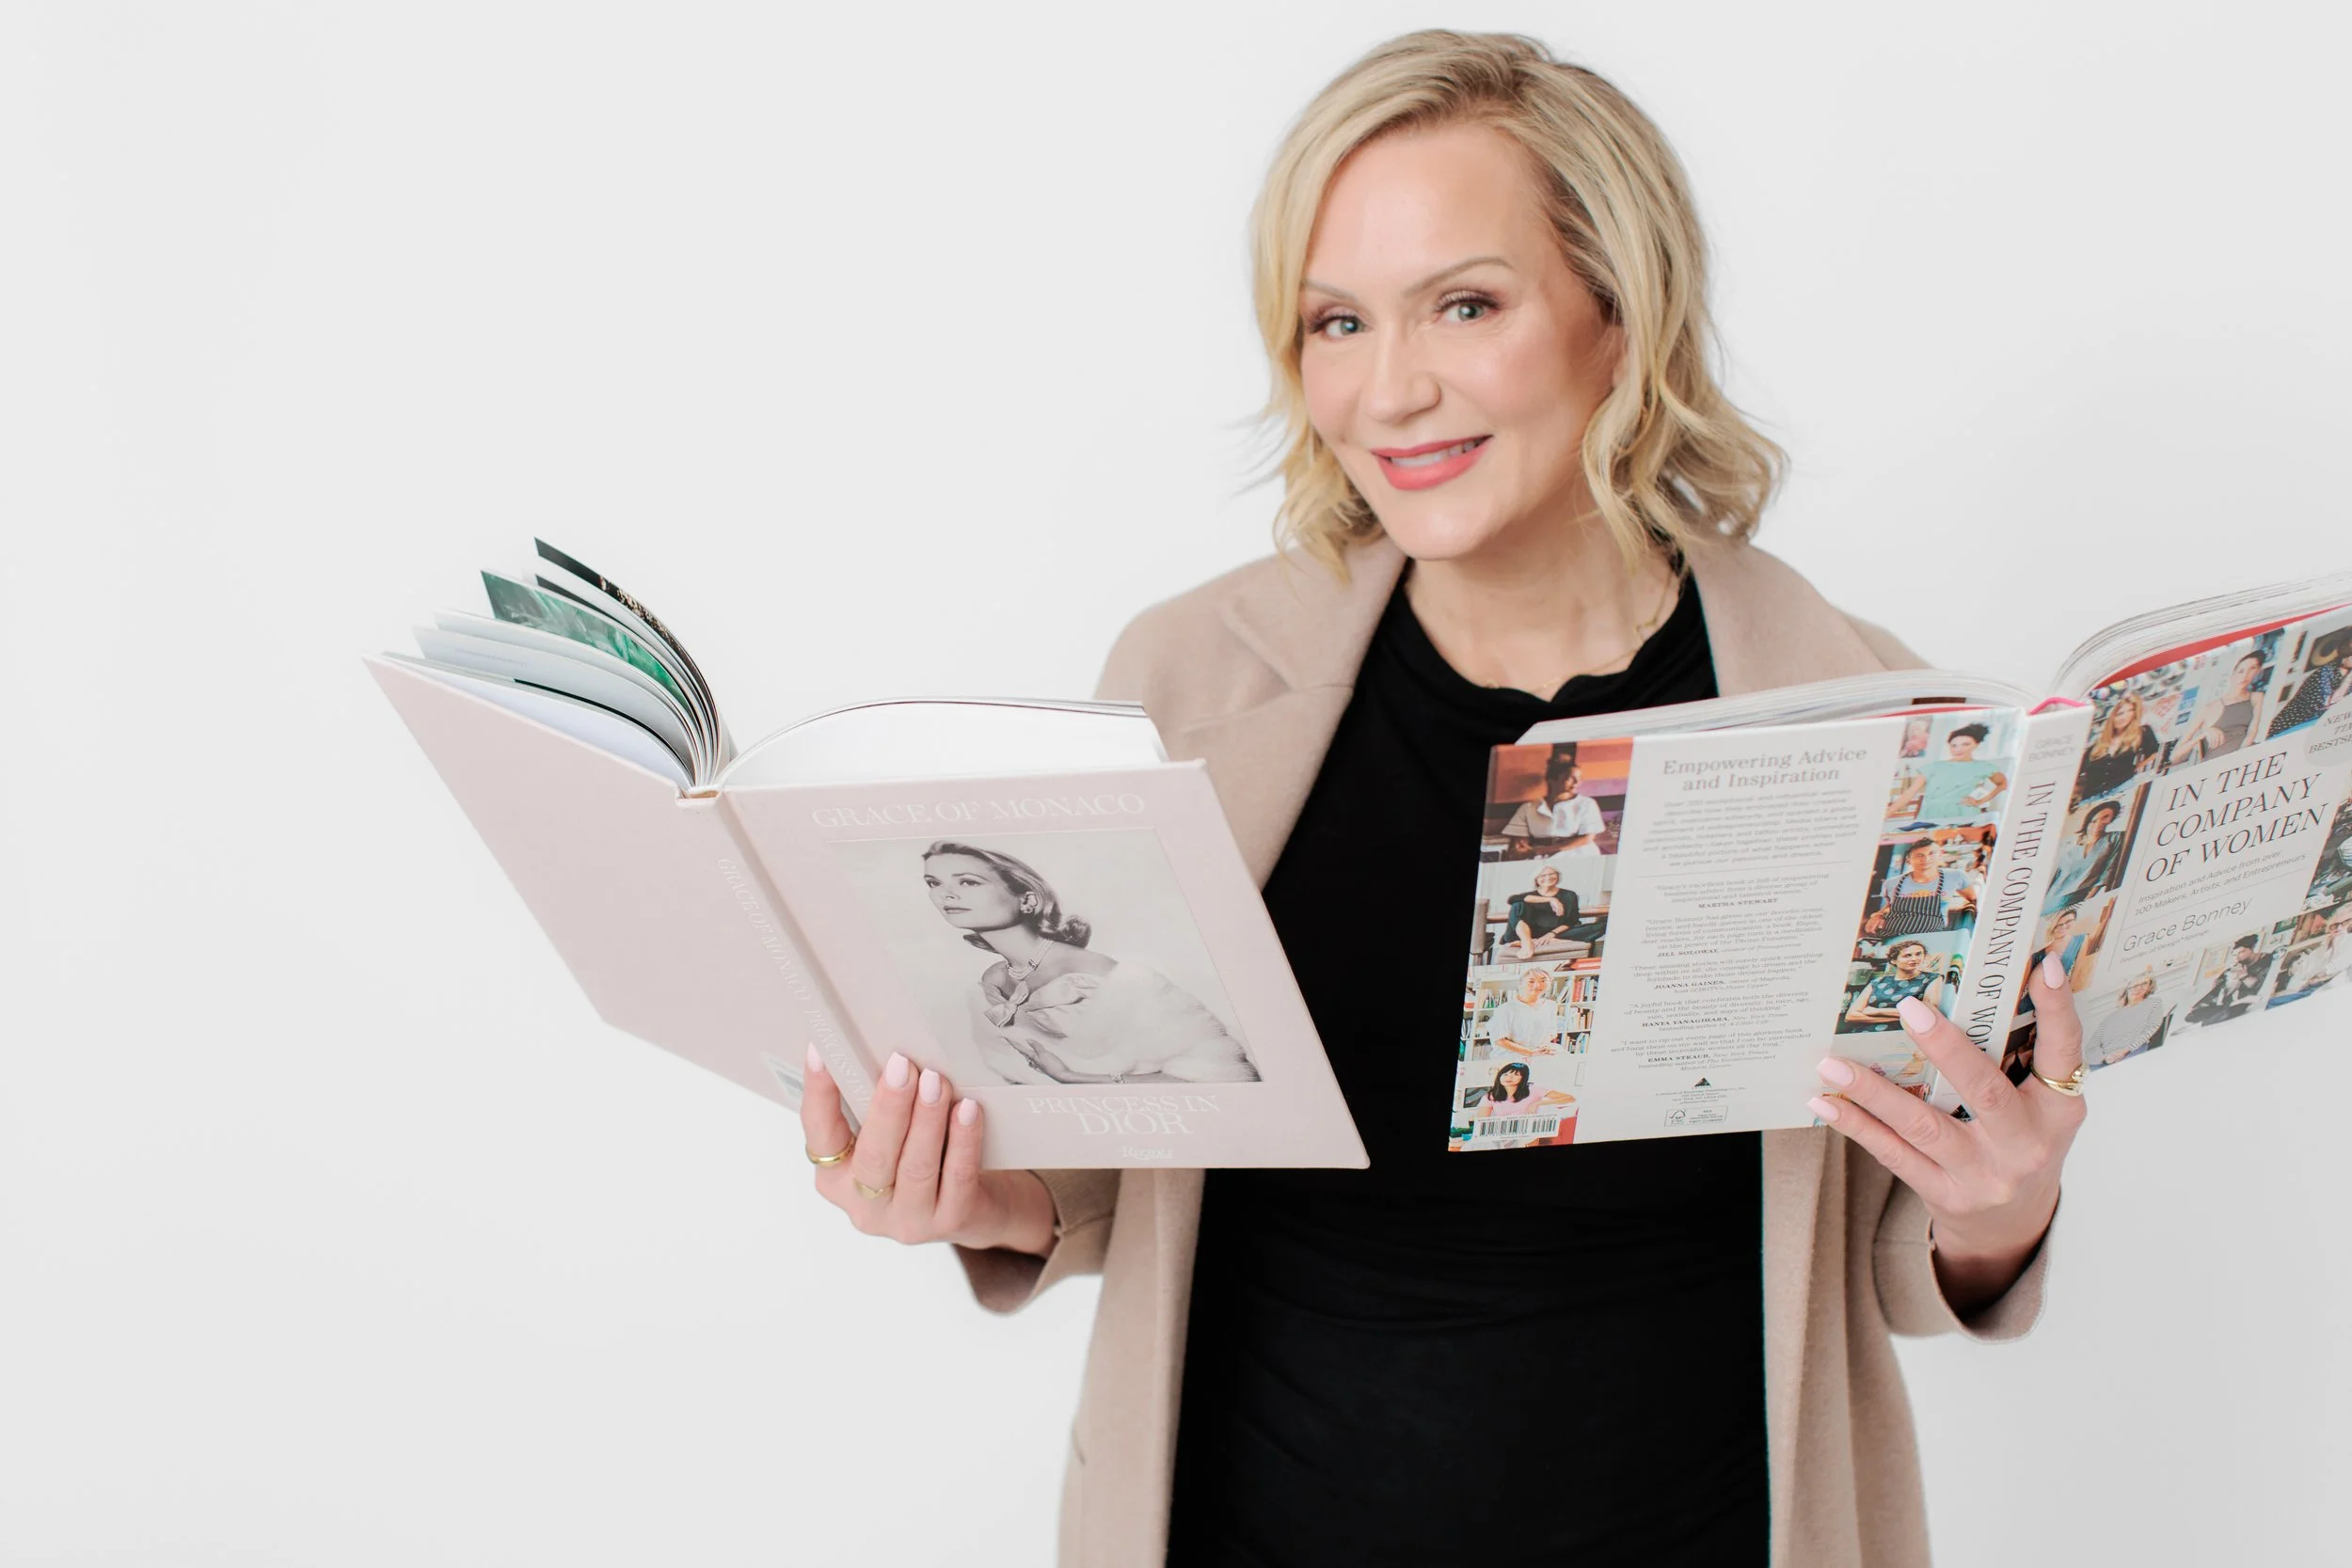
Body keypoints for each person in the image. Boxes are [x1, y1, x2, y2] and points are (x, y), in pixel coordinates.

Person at [796, 32, 2085, 1568]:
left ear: (1620, 318)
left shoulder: (1878, 721)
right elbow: (1099, 1163)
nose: (1390, 389)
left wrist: (2000, 1198)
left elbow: (1891, 1244)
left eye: (1465, 306)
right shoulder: (1195, 678)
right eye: (1337, 321)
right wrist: (968, 1195)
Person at [920, 841, 1261, 1085]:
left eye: (967, 881)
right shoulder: (990, 983)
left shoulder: (1097, 973)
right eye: (934, 883)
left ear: (1027, 899)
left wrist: (1074, 1078)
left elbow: (1225, 1076)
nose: (945, 894)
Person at [1888, 721, 2009, 822]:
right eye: (1953, 745)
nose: (1958, 749)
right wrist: (1887, 814)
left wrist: (1979, 801)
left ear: (1976, 745)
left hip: (1964, 815)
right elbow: (1909, 793)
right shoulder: (1933, 767)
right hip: (1931, 815)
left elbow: (2003, 784)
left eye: (1965, 744)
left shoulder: (1983, 767)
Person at [2172, 650, 2266, 767]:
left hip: (2244, 759)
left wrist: (2241, 757)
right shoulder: (2208, 709)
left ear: (2258, 671)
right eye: (2241, 671)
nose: (2245, 675)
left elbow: (2252, 731)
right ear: (2232, 675)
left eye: (2252, 668)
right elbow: (2174, 757)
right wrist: (2203, 734)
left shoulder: (2256, 697)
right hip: (2215, 766)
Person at [1868, 837, 1977, 936]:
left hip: (1931, 936)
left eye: (1931, 853)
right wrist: (1877, 915)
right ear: (1908, 860)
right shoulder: (1891, 883)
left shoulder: (1956, 876)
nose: (1926, 859)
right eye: (1919, 855)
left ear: (1940, 855)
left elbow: (1973, 898)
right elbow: (1888, 906)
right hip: (1892, 935)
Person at [2042, 799, 2128, 915]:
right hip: (2050, 897)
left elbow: (2106, 874)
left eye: (2105, 817)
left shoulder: (2113, 839)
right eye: (2095, 820)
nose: (2099, 823)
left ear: (2112, 819)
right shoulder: (2072, 845)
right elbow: (2055, 874)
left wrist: (2086, 903)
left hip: (2075, 897)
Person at [2074, 689, 2162, 800]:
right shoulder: (2097, 743)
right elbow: (2079, 771)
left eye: (2130, 711)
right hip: (2090, 796)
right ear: (2112, 717)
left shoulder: (2142, 733)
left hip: (2123, 788)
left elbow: (2155, 753)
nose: (2124, 717)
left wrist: (2136, 768)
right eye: (2120, 713)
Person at [1843, 938, 1947, 1031]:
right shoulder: (1878, 981)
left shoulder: (1931, 978)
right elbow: (1851, 1016)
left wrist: (1877, 1012)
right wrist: (1901, 1017)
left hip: (1900, 1036)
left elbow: (1928, 1013)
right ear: (1893, 960)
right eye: (1907, 955)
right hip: (1864, 1033)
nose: (1914, 959)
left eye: (1919, 954)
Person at [1503, 863, 1603, 958]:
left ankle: (1538, 941)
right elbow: (1512, 899)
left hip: (1556, 933)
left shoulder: (1569, 895)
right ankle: (1526, 943)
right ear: (1536, 879)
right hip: (1528, 933)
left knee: (1602, 925)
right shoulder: (1530, 896)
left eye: (1552, 874)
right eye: (1543, 875)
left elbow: (1571, 921)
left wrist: (1550, 935)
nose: (1548, 877)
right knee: (1517, 904)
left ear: (1558, 876)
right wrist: (1551, 899)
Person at [2265, 629, 2350, 737]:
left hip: (2314, 730)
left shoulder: (2348, 677)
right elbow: (2324, 705)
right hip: (2290, 725)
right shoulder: (2324, 672)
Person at [2086, 971, 2171, 1065]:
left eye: (2144, 984)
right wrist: (2104, 1058)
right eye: (2135, 985)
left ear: (2149, 986)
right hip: (2106, 1059)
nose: (2139, 988)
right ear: (2127, 988)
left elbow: (2152, 1027)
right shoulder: (2111, 1016)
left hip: (2133, 1051)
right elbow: (2092, 1046)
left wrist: (2126, 1050)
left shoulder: (2153, 1003)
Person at [1480, 965, 1565, 1055]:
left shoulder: (1551, 1005)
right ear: (1521, 983)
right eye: (1531, 981)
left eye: (1543, 981)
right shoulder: (1506, 1009)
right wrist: (1528, 1052)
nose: (1538, 985)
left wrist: (1543, 1046)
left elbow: (1551, 1032)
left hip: (1537, 1052)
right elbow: (1499, 1040)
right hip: (1510, 1054)